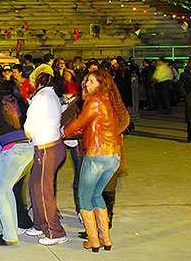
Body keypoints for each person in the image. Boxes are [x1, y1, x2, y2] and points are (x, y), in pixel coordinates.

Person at [63, 69, 128, 252]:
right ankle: (105, 238)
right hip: (113, 155)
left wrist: (63, 131)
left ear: (101, 84)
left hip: (97, 155)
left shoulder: (95, 101)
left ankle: (93, 240)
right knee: (97, 195)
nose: (86, 84)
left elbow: (79, 122)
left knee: (84, 196)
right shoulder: (110, 101)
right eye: (86, 81)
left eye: (91, 81)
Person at [0, 77, 32, 246]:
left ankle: (10, 236)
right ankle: (9, 232)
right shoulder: (19, 98)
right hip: (28, 148)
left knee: (0, 191)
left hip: (11, 150)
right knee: (7, 190)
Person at [24, 72, 68, 246]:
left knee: (43, 190)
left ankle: (55, 231)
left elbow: (29, 127)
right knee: (35, 186)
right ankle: (40, 224)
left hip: (46, 149)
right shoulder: (52, 96)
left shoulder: (40, 98)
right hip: (52, 147)